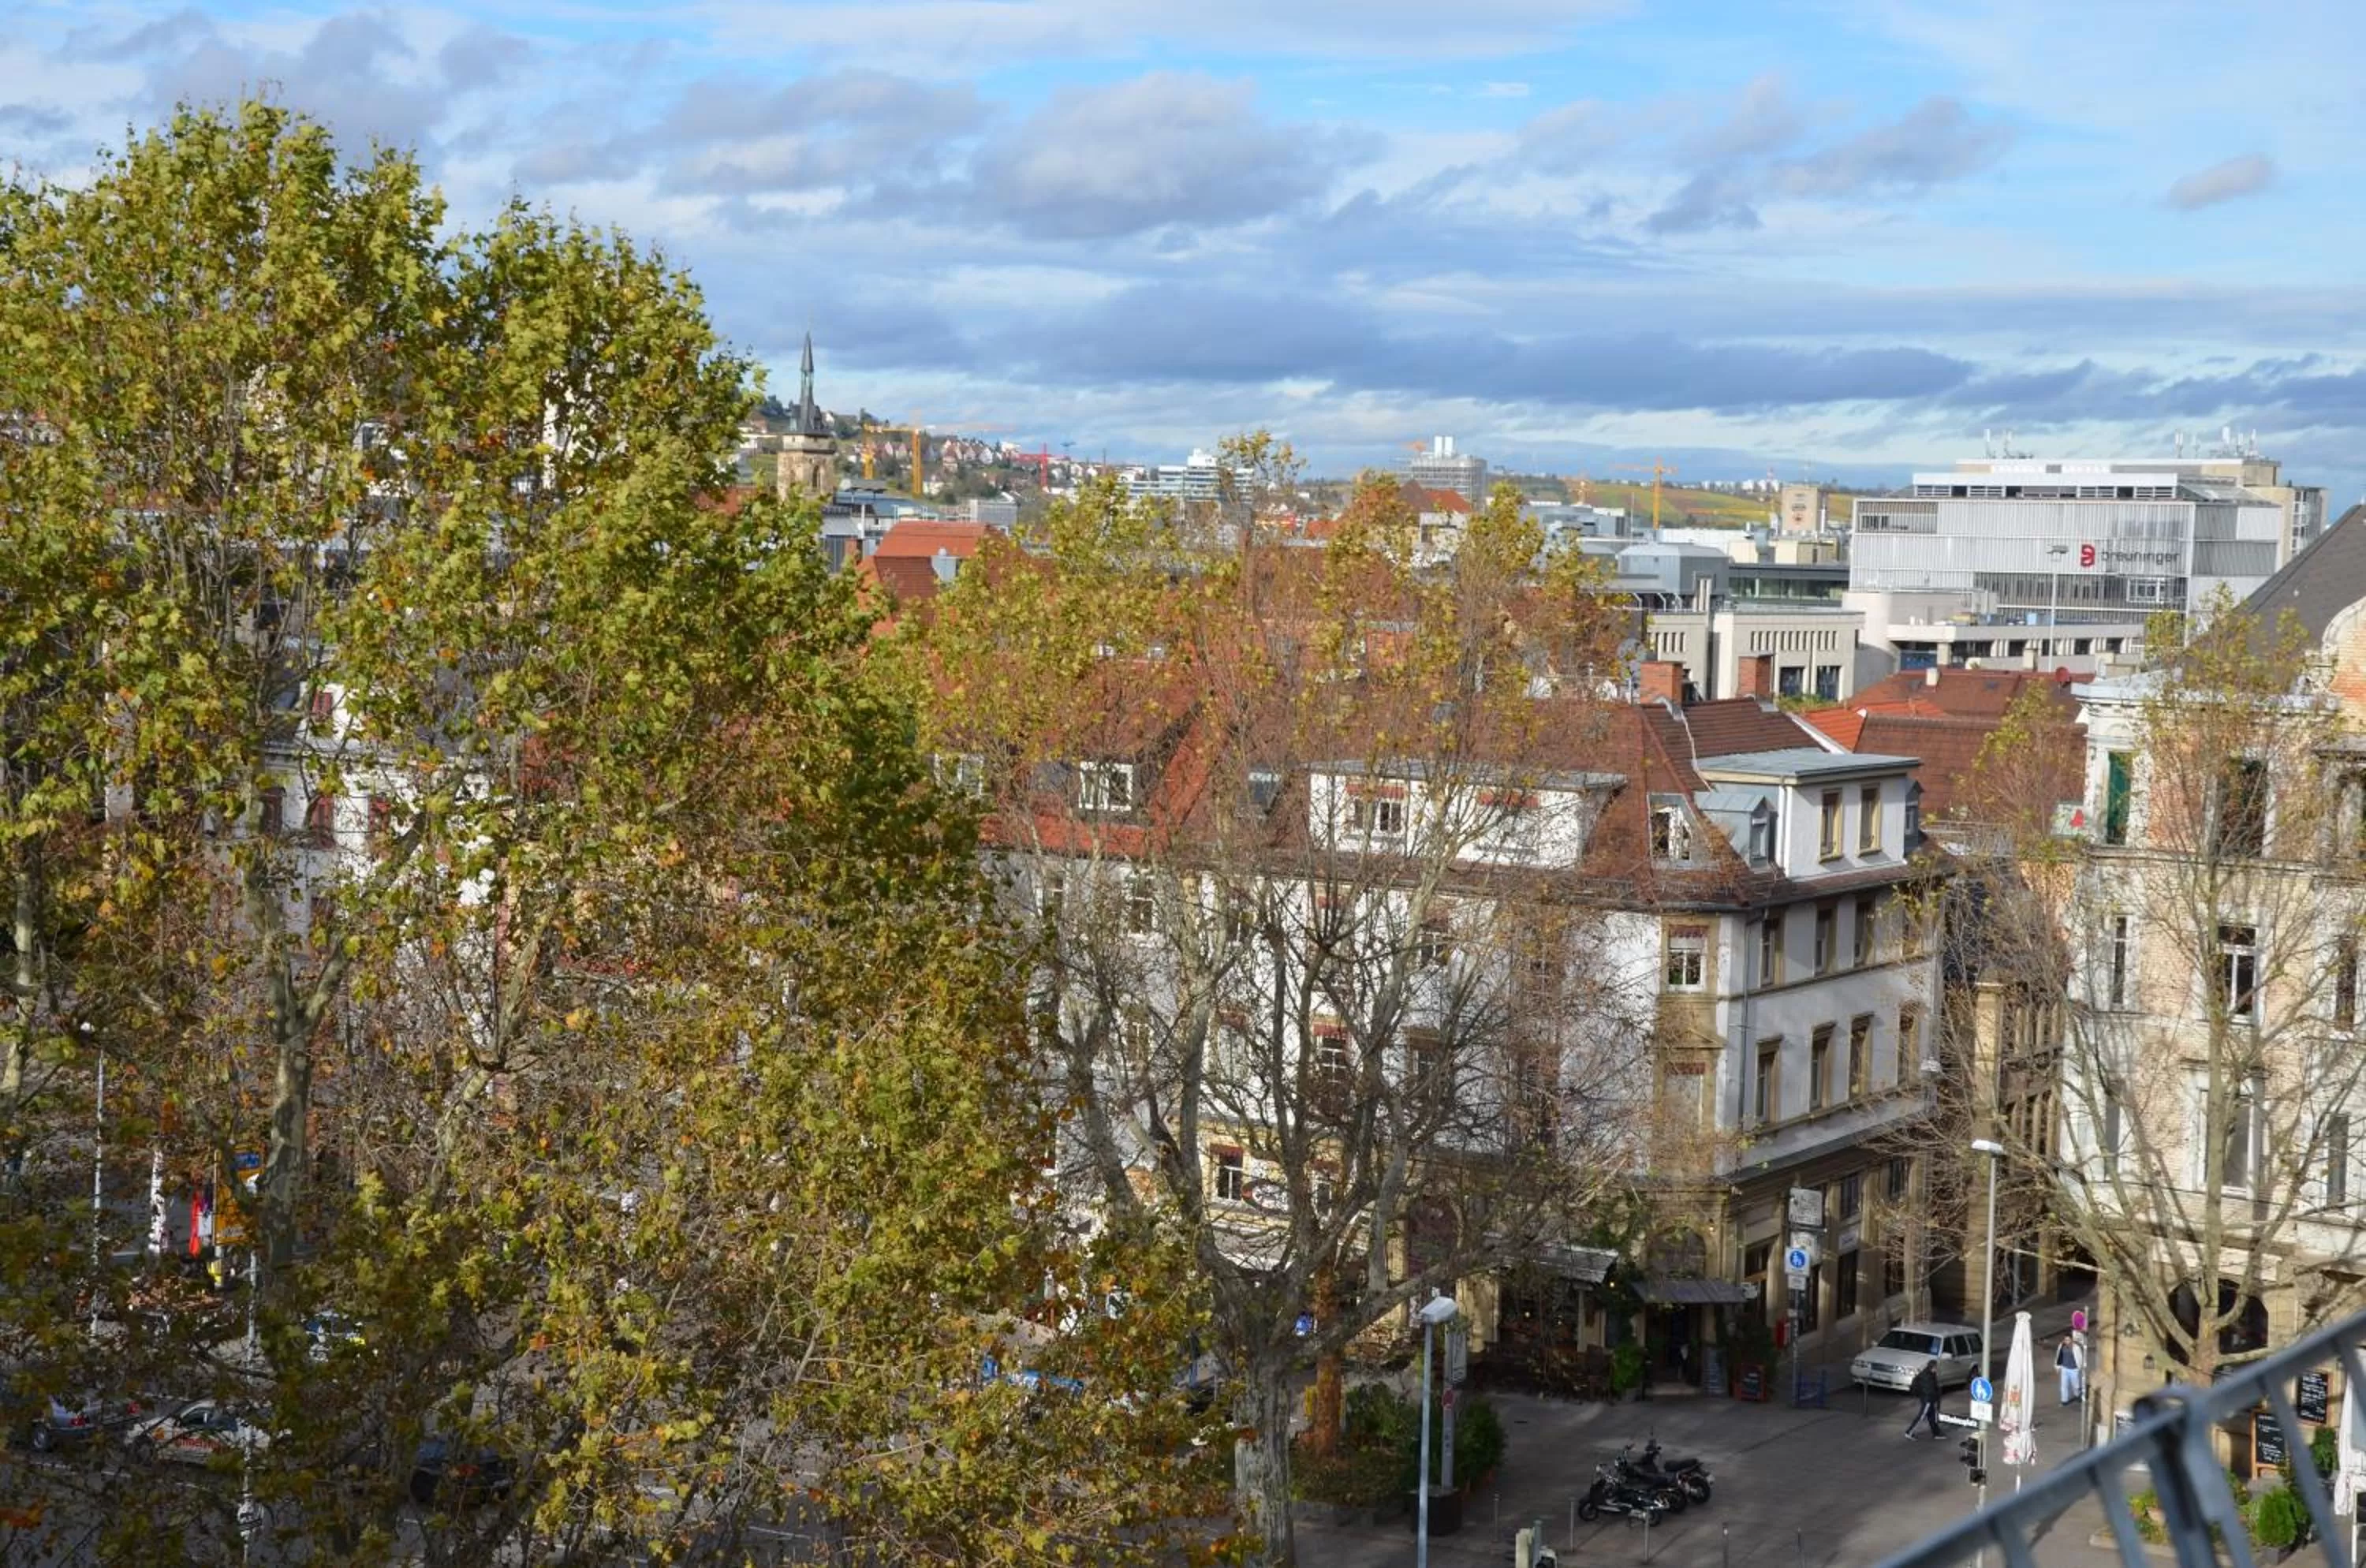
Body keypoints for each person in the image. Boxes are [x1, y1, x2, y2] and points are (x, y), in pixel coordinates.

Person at [1905, 1359, 1942, 1438]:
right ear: (1933, 1367)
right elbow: (1930, 1390)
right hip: (1928, 1400)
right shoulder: (1927, 1377)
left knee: (1932, 1416)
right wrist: (1936, 1398)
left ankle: (1936, 1433)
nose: (1937, 1369)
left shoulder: (1930, 1374)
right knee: (1922, 1416)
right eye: (1936, 1367)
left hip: (1929, 1399)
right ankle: (1909, 1432)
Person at [2056, 1331, 2085, 1406]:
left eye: (2068, 1340)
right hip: (2065, 1368)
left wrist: (2080, 1367)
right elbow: (2059, 1356)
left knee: (2075, 1386)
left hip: (2073, 1369)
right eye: (2065, 1340)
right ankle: (2064, 1401)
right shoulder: (2061, 1346)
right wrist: (2058, 1367)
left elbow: (2080, 1358)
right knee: (2064, 1386)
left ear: (2071, 1340)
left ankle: (2077, 1395)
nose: (2067, 1342)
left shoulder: (2076, 1348)